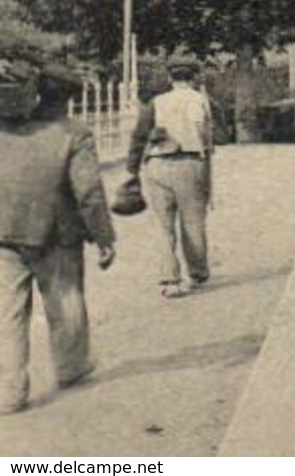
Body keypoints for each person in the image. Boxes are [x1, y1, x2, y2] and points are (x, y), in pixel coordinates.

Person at [0, 59, 116, 414]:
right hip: (56, 234)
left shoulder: (5, 128)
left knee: (7, 314)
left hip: (3, 232)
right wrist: (104, 237)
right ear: (69, 97)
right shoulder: (74, 132)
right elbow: (89, 192)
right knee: (65, 302)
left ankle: (8, 393)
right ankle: (71, 368)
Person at [129, 60, 215, 298]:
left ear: (170, 78)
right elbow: (201, 129)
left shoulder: (157, 101)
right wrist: (202, 149)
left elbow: (140, 134)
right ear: (194, 77)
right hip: (189, 162)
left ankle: (170, 277)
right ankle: (197, 273)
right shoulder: (198, 99)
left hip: (157, 163)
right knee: (193, 221)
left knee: (163, 224)